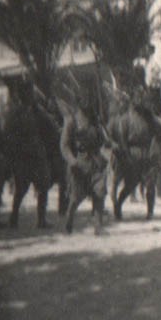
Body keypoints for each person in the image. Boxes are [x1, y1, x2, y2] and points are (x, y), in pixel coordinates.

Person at [60, 96, 108, 235]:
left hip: (96, 161)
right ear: (79, 103)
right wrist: (71, 160)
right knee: (76, 197)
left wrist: (104, 137)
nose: (87, 103)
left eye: (89, 100)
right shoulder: (72, 121)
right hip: (80, 163)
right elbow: (64, 145)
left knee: (99, 192)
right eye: (84, 100)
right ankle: (69, 218)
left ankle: (98, 226)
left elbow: (103, 139)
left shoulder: (95, 120)